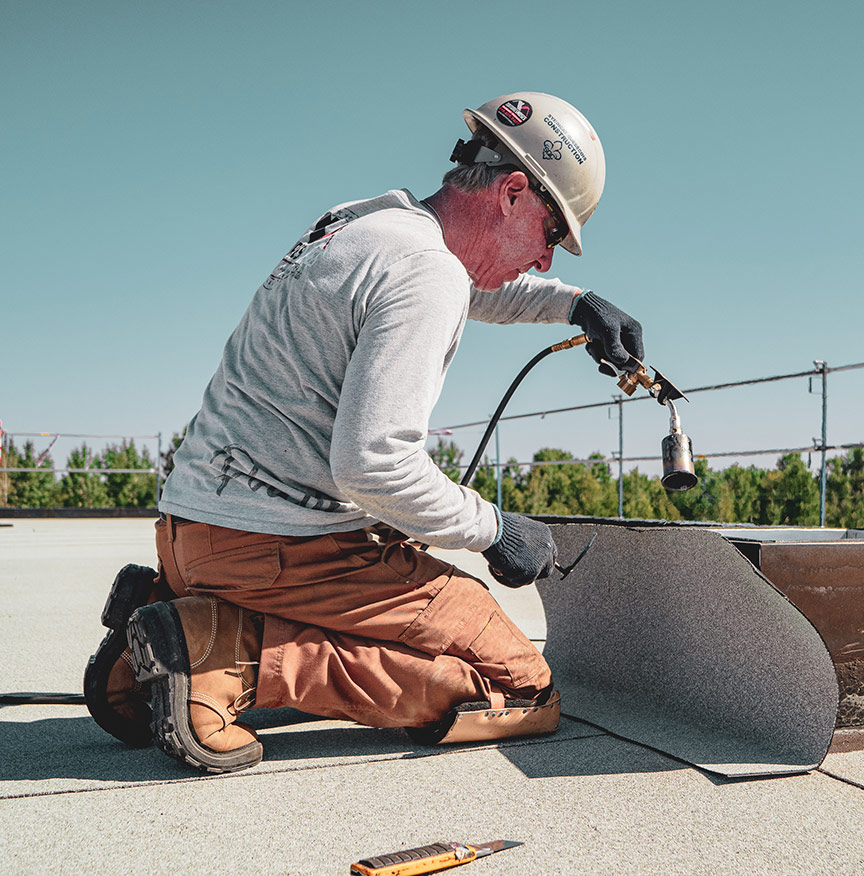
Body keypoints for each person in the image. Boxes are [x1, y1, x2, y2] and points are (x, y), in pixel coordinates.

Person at [83, 92, 645, 774]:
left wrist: (575, 306)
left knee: (425, 616)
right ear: (514, 193)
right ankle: (217, 654)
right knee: (517, 687)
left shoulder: (371, 224)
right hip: (273, 546)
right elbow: (375, 466)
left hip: (194, 530)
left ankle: (159, 627)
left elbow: (472, 286)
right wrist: (498, 530)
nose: (547, 262)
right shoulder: (425, 273)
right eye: (552, 235)